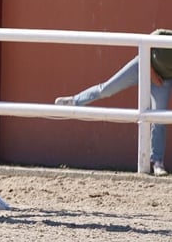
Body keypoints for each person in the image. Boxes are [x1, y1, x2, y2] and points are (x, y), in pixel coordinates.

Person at [54, 28, 172, 176]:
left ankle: (157, 163)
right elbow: (144, 49)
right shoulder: (161, 34)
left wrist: (158, 79)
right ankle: (74, 101)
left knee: (158, 118)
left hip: (163, 81)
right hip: (141, 66)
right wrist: (152, 74)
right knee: (107, 89)